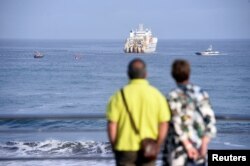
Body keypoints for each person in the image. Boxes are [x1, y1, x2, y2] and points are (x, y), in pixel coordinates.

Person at [106, 58, 171, 166]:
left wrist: (114, 146)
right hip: (149, 149)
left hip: (125, 148)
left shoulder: (118, 96)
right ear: (146, 74)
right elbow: (164, 124)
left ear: (128, 74)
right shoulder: (157, 95)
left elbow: (112, 124)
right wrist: (158, 145)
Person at [162, 59, 216, 166]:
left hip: (177, 150)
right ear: (189, 73)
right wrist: (204, 144)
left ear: (173, 74)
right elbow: (210, 120)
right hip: (199, 148)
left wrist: (187, 145)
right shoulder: (202, 93)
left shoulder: (172, 96)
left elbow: (176, 122)